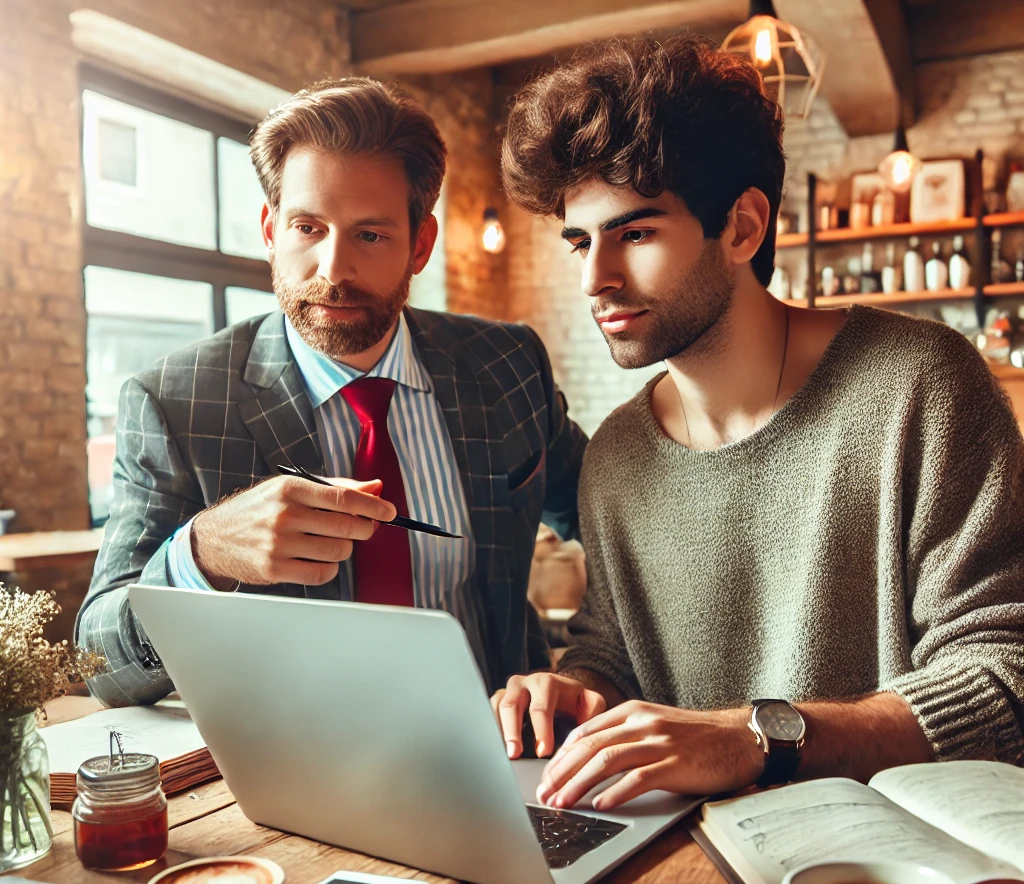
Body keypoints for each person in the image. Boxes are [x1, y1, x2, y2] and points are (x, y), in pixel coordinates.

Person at [493, 36, 1024, 811]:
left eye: (634, 233)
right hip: (677, 863)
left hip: (892, 880)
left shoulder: (922, 386)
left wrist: (755, 738)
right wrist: (574, 691)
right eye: (580, 240)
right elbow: (613, 649)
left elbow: (999, 675)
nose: (594, 279)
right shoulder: (616, 456)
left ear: (743, 227)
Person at [78, 78, 586, 707]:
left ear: (420, 245)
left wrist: (590, 669)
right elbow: (100, 662)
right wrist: (202, 554)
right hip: (296, 780)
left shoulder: (506, 361)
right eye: (308, 228)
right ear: (269, 230)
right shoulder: (175, 401)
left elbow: (607, 515)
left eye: (370, 236)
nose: (333, 270)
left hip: (509, 752)